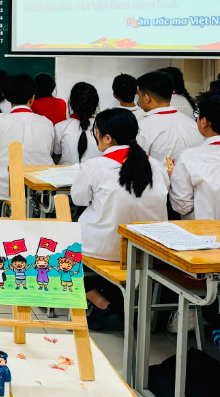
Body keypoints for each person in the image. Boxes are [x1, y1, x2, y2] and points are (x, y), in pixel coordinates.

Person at [70, 108, 167, 330]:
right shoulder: (155, 165)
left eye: (96, 132)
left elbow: (79, 199)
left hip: (105, 248)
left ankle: (102, 303)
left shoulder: (95, 166)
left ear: (107, 138)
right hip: (148, 250)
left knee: (57, 253)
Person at [0, 74, 54, 216]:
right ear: (32, 99)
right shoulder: (46, 122)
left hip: (7, 184)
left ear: (6, 98)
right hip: (42, 185)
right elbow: (48, 151)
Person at [169, 90, 220, 220]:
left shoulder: (189, 158)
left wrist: (173, 178)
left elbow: (182, 206)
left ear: (204, 122)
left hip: (202, 231)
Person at [135, 70, 202, 166]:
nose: (138, 100)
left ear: (147, 98)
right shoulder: (193, 124)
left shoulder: (143, 128)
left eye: (139, 96)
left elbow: (137, 165)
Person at [54, 82, 101, 165]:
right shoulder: (104, 127)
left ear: (70, 102)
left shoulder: (60, 127)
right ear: (96, 104)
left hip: (64, 172)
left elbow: (56, 157)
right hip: (95, 173)